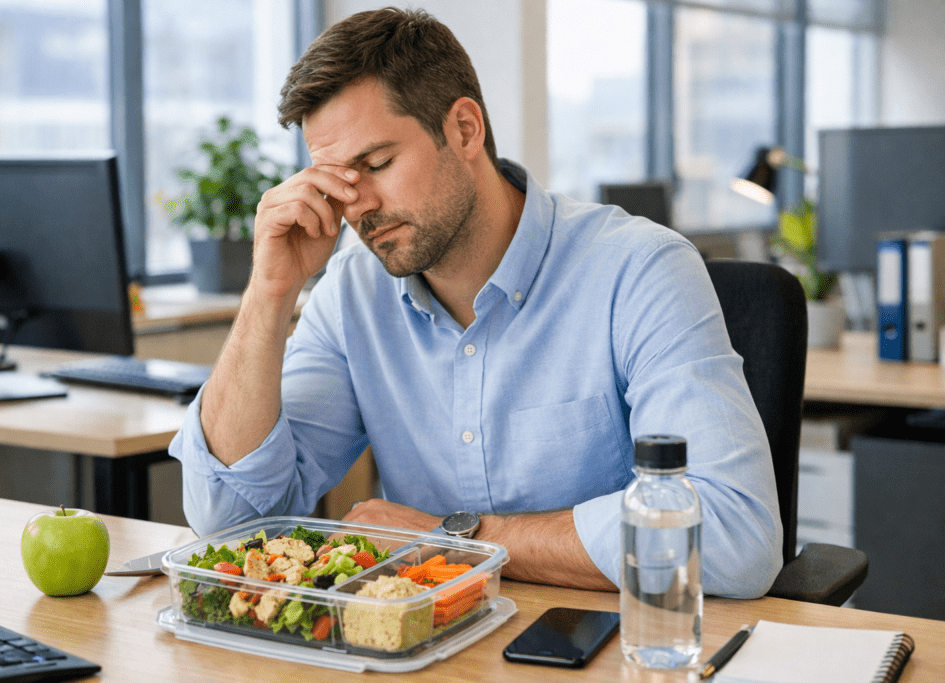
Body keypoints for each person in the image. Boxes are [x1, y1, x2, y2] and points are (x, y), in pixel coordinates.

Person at [170, 7, 783, 598]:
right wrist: (270, 291)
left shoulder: (638, 270)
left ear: (465, 129)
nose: (358, 207)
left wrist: (450, 540)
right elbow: (229, 518)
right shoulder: (351, 293)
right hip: (427, 645)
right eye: (337, 182)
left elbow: (735, 532)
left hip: (609, 643)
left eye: (377, 163)